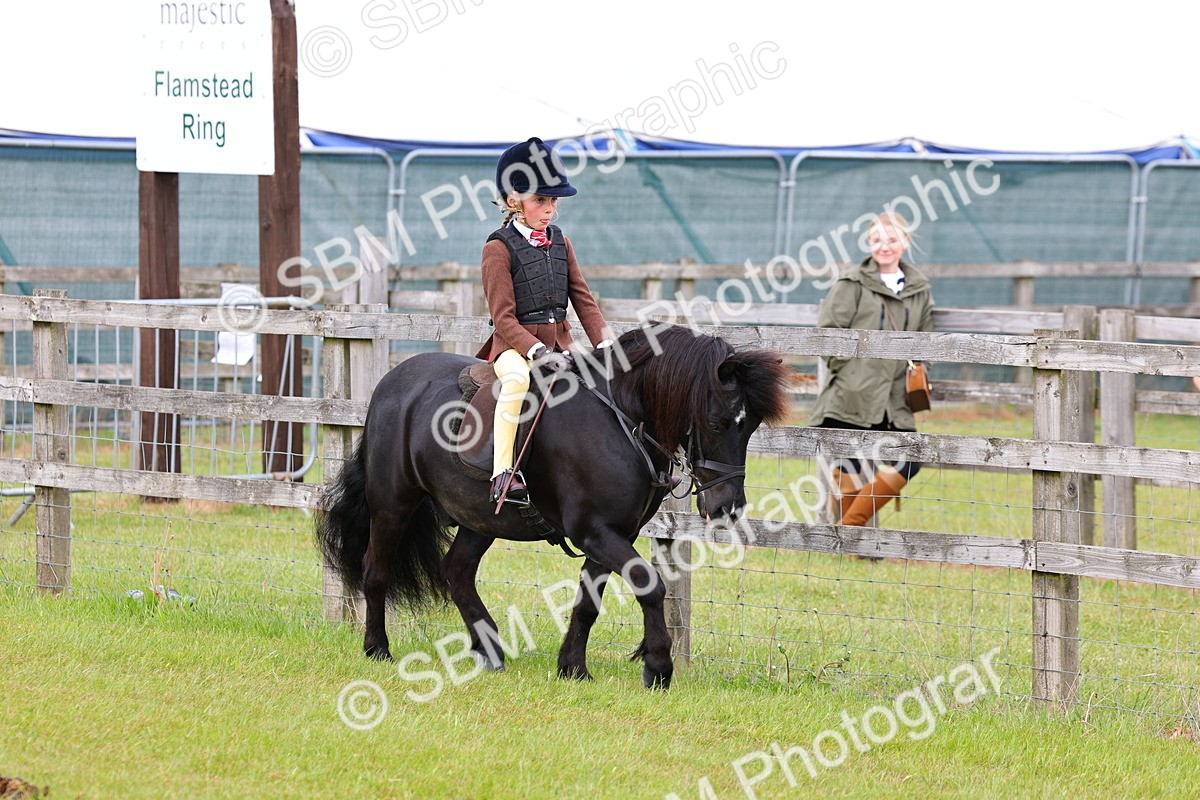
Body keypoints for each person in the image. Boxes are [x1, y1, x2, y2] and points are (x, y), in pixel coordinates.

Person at [476, 137, 614, 507]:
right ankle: (503, 473)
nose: (549, 209)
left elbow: (583, 300)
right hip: (514, 349)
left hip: (561, 345)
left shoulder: (561, 242)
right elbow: (502, 318)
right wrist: (535, 351)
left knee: (603, 379)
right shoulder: (497, 249)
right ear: (512, 201)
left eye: (553, 201)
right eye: (540, 200)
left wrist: (605, 343)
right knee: (519, 382)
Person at [810, 212, 934, 526]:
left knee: (910, 461)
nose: (885, 246)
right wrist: (852, 373)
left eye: (892, 239)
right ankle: (854, 544)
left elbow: (927, 342)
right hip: (852, 395)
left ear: (905, 242)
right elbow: (829, 333)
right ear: (868, 242)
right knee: (849, 465)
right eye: (877, 239)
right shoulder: (851, 282)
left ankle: (849, 528)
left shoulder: (919, 289)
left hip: (895, 401)